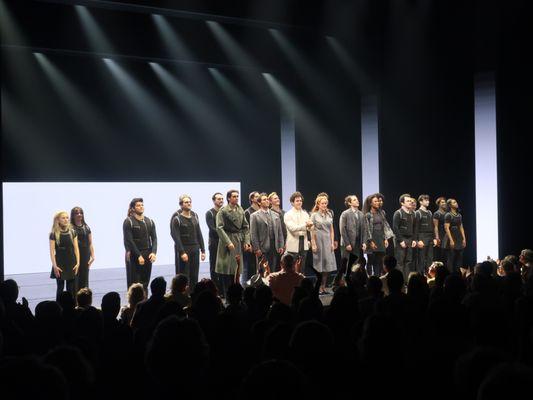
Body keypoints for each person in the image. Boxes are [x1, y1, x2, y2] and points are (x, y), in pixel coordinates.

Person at [215, 189, 251, 296]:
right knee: (227, 270)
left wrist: (246, 241)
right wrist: (228, 242)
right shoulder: (223, 211)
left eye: (237, 196)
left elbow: (245, 227)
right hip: (227, 241)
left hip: (238, 240)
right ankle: (227, 296)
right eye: (234, 196)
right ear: (229, 198)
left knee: (237, 269)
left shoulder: (240, 209)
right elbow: (219, 228)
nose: (236, 198)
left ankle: (237, 295)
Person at [170, 194, 206, 290]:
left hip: (195, 248)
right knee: (184, 275)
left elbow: (199, 234)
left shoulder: (195, 217)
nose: (189, 204)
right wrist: (182, 252)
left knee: (194, 274)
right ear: (181, 205)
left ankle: (193, 295)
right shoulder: (176, 219)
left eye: (190, 202)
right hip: (184, 249)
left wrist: (203, 250)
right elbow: (176, 237)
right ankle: (182, 295)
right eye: (186, 202)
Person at [123, 198, 157, 290]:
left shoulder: (149, 221)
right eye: (138, 205)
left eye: (142, 205)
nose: (141, 207)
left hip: (147, 254)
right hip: (134, 255)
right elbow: (130, 241)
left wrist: (153, 252)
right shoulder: (128, 222)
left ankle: (144, 302)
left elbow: (154, 239)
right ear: (133, 208)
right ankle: (134, 304)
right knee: (134, 284)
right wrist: (138, 255)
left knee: (145, 282)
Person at [336, 195, 367, 288]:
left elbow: (364, 229)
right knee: (345, 265)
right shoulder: (345, 214)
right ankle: (339, 283)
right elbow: (342, 229)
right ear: (349, 203)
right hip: (348, 243)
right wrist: (347, 243)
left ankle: (354, 282)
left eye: (357, 199)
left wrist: (364, 242)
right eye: (354, 200)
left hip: (357, 243)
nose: (357, 201)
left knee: (356, 264)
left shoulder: (361, 214)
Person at [49, 211, 80, 301]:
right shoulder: (54, 234)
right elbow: (51, 251)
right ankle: (58, 308)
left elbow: (76, 249)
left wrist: (78, 263)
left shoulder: (73, 232)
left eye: (67, 218)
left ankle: (71, 307)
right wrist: (55, 266)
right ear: (58, 220)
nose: (66, 220)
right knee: (60, 288)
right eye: (63, 218)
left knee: (71, 288)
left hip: (71, 262)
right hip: (60, 263)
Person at [250, 193, 285, 272]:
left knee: (273, 270)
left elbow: (280, 232)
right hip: (263, 247)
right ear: (259, 203)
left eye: (267, 199)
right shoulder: (254, 216)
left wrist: (281, 245)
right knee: (263, 271)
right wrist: (257, 248)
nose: (267, 201)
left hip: (274, 246)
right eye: (264, 200)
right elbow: (253, 234)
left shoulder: (276, 215)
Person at [310, 195, 337, 294]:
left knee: (327, 265)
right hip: (318, 240)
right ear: (318, 204)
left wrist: (332, 242)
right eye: (322, 203)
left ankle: (324, 286)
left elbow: (332, 230)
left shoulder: (329, 214)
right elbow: (311, 231)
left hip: (327, 241)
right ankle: (318, 287)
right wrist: (313, 243)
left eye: (326, 203)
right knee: (319, 265)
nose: (324, 205)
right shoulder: (314, 215)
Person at [363, 194, 394, 276]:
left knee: (379, 261)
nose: (378, 203)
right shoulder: (367, 215)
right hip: (371, 239)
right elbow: (367, 230)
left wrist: (386, 239)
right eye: (375, 201)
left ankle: (378, 278)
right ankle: (369, 278)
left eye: (378, 201)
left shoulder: (382, 213)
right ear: (370, 203)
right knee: (371, 261)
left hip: (381, 238)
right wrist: (370, 242)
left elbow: (384, 226)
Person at [284, 191, 313, 273]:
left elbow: (310, 229)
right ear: (292, 202)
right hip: (293, 243)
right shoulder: (288, 214)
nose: (299, 202)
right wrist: (305, 226)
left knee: (302, 268)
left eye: (300, 200)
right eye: (297, 201)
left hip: (303, 242)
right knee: (292, 269)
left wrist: (311, 226)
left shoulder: (305, 214)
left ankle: (301, 285)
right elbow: (292, 228)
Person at [392, 194, 417, 282]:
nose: (410, 202)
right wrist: (401, 240)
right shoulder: (398, 213)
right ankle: (400, 282)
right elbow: (395, 228)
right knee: (400, 262)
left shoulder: (413, 213)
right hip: (401, 239)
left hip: (410, 239)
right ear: (402, 203)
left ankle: (407, 281)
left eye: (411, 201)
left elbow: (415, 228)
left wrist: (414, 240)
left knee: (408, 261)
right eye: (408, 201)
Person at [70, 207, 94, 290]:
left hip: (85, 255)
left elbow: (90, 243)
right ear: (73, 216)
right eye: (77, 213)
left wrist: (93, 256)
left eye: (81, 213)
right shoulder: (70, 228)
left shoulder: (86, 227)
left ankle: (84, 299)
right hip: (74, 256)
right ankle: (74, 300)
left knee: (84, 277)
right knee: (75, 277)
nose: (79, 215)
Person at [206, 192, 224, 294]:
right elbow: (213, 229)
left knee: (222, 266)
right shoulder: (210, 213)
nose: (221, 200)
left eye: (222, 199)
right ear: (214, 200)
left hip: (224, 243)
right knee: (214, 266)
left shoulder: (225, 212)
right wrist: (225, 236)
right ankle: (215, 289)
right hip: (214, 242)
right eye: (218, 199)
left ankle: (222, 288)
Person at [414, 195, 437, 274]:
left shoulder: (430, 212)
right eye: (426, 200)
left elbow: (432, 226)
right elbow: (415, 228)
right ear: (420, 201)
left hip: (430, 238)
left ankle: (429, 276)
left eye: (428, 200)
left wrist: (434, 238)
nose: (428, 202)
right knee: (421, 259)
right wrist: (418, 240)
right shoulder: (418, 213)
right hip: (422, 237)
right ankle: (420, 276)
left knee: (430, 258)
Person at [443, 198, 466, 273]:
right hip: (451, 236)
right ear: (450, 205)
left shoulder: (459, 215)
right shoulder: (448, 215)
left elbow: (461, 227)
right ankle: (450, 274)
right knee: (451, 258)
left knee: (459, 257)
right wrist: (451, 240)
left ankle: (458, 274)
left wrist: (464, 239)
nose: (456, 203)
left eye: (456, 202)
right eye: (454, 202)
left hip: (458, 237)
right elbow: (446, 228)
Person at [243, 191, 260, 282]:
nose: (259, 197)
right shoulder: (247, 212)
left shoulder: (262, 210)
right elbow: (246, 230)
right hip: (251, 243)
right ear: (252, 199)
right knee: (251, 267)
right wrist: (249, 243)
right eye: (256, 196)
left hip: (261, 243)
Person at [433, 197, 448, 265]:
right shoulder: (437, 214)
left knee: (447, 255)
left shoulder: (447, 213)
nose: (444, 203)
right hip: (441, 235)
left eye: (444, 202)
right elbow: (435, 227)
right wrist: (437, 237)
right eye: (442, 202)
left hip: (447, 235)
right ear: (438, 204)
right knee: (441, 254)